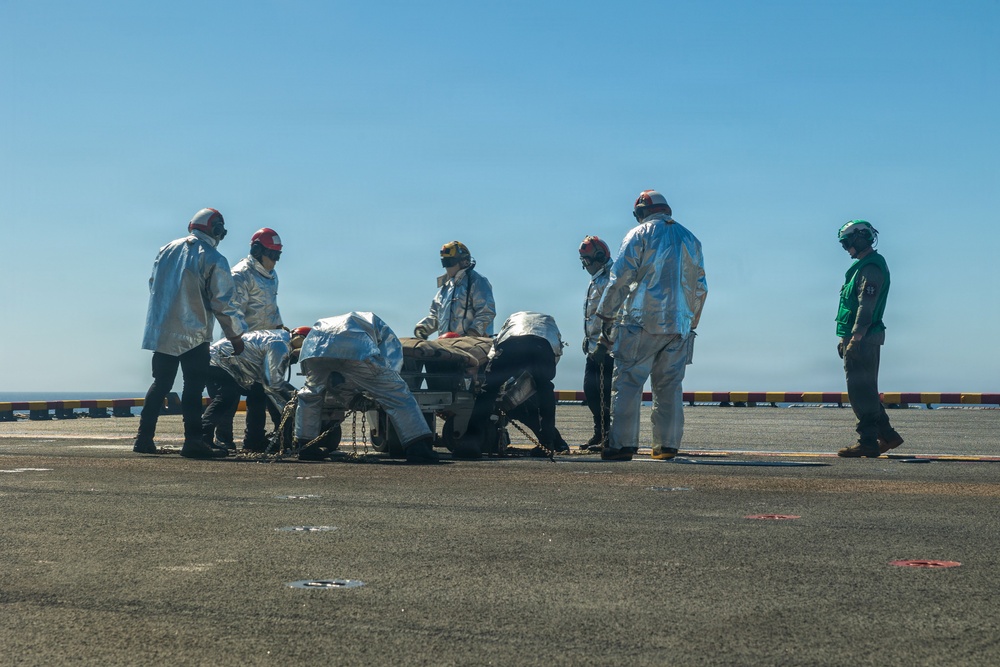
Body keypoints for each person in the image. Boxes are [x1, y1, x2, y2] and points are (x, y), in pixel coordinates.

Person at [595, 190, 707, 461]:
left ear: (642, 212)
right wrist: (690, 322)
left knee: (628, 382)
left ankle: (623, 445)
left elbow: (621, 278)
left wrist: (606, 317)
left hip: (640, 322)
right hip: (679, 326)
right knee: (670, 386)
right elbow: (700, 287)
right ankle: (667, 446)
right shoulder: (691, 239)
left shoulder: (638, 234)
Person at [134, 208, 247, 459]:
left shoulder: (166, 249)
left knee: (160, 384)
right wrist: (235, 335)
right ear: (215, 229)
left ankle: (143, 438)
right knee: (193, 388)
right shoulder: (214, 258)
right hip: (194, 333)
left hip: (162, 330)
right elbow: (223, 302)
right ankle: (193, 441)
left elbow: (153, 284)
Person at [294, 312, 438, 463]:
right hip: (353, 346)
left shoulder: (331, 322)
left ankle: (305, 446)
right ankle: (419, 448)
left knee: (310, 395)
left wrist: (353, 399)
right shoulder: (379, 325)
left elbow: (335, 384)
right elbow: (391, 357)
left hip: (315, 349)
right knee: (398, 395)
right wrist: (389, 383)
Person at [835, 220, 904, 458]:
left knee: (860, 392)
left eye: (847, 243)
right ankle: (888, 435)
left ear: (860, 238)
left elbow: (866, 306)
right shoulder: (861, 267)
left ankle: (867, 441)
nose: (846, 248)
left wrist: (855, 338)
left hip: (864, 338)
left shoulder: (870, 268)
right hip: (859, 336)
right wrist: (845, 337)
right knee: (865, 391)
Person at [463, 311, 569, 459]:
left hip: (512, 344)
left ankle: (471, 443)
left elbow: (495, 348)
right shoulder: (550, 326)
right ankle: (548, 442)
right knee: (545, 390)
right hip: (542, 345)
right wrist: (542, 379)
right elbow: (555, 354)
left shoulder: (512, 321)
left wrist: (490, 377)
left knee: (488, 391)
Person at [201, 327, 305, 451]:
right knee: (226, 397)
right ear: (299, 340)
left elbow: (266, 381)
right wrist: (296, 398)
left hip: (228, 363)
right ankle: (203, 437)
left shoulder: (281, 339)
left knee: (258, 395)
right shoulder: (280, 345)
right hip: (219, 361)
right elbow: (273, 382)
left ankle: (254, 440)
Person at [231, 227, 286, 450]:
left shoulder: (272, 276)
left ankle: (263, 438)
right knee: (242, 394)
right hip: (245, 344)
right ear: (257, 251)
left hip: (268, 343)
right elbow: (234, 313)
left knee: (266, 392)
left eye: (278, 255)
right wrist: (241, 343)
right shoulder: (241, 275)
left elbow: (272, 307)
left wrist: (280, 329)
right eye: (272, 255)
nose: (275, 260)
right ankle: (234, 439)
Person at [414, 241, 496, 339]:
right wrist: (423, 328)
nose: (447, 267)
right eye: (444, 262)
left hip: (475, 344)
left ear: (464, 261)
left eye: (450, 262)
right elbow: (436, 316)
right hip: (447, 345)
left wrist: (473, 333)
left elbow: (486, 312)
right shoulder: (445, 288)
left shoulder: (477, 281)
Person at [580, 235, 615, 451]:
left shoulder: (612, 279)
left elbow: (614, 314)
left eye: (587, 260)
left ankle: (610, 436)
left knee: (605, 395)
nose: (585, 265)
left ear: (600, 257)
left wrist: (605, 343)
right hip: (593, 346)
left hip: (607, 349)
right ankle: (600, 432)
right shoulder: (596, 279)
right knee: (591, 391)